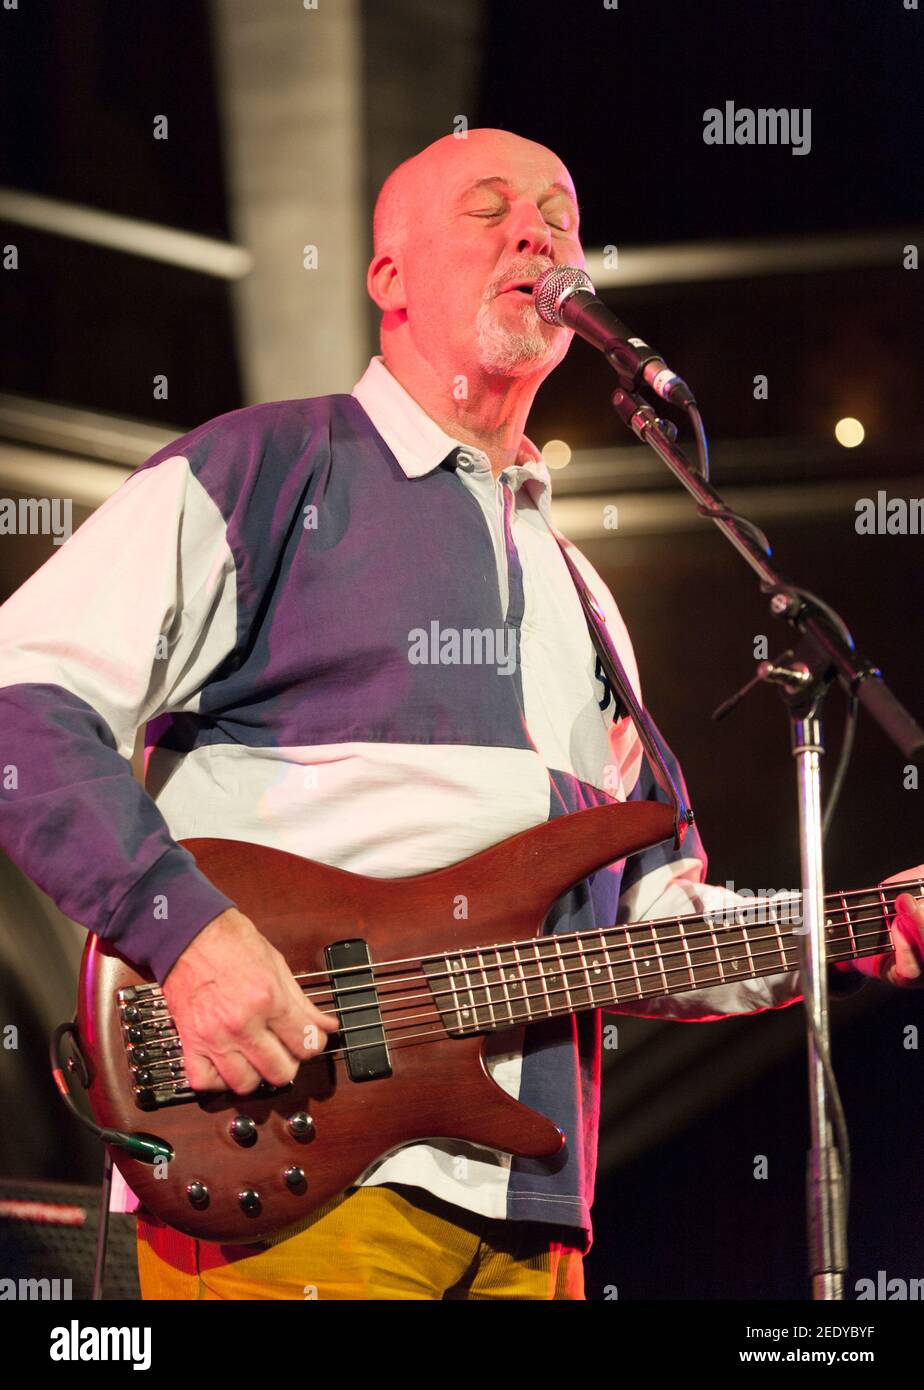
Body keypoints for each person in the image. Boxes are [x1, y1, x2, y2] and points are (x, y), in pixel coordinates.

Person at [0, 128, 922, 1302]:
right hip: (286, 1178)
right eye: (490, 209)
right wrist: (181, 932)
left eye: (559, 212)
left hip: (531, 1220)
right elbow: (20, 692)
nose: (537, 230)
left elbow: (644, 916)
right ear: (386, 277)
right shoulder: (271, 468)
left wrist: (852, 929)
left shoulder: (585, 602)